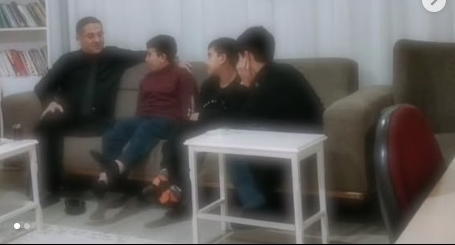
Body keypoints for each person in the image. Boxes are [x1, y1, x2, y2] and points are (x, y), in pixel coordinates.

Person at [34, 17, 147, 204]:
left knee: (120, 129)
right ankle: (49, 187)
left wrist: (175, 61)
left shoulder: (114, 56)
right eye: (91, 36)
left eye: (100, 35)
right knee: (47, 123)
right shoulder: (68, 60)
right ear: (78, 39)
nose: (97, 40)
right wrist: (50, 102)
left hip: (100, 120)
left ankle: (116, 184)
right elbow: (42, 87)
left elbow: (146, 55)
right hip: (72, 117)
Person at [145, 37, 249, 212]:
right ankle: (170, 180)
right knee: (180, 130)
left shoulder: (241, 85)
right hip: (202, 129)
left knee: (192, 140)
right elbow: (197, 113)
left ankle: (173, 185)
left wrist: (204, 119)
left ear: (222, 58)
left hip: (223, 134)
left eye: (210, 55)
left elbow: (235, 119)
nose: (206, 61)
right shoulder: (209, 85)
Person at [229, 26, 324, 214]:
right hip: (298, 131)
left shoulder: (271, 82)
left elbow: (240, 121)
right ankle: (259, 197)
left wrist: (245, 84)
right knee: (251, 136)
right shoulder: (279, 71)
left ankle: (255, 204)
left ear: (247, 56)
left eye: (239, 57)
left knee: (233, 148)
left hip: (300, 136)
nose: (237, 64)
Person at [89, 34, 197, 199]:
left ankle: (118, 166)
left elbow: (188, 106)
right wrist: (133, 125)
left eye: (149, 55)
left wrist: (184, 127)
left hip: (169, 121)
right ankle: (105, 179)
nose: (146, 59)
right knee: (116, 130)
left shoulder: (182, 75)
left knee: (147, 127)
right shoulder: (147, 78)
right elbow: (140, 108)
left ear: (162, 57)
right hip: (146, 119)